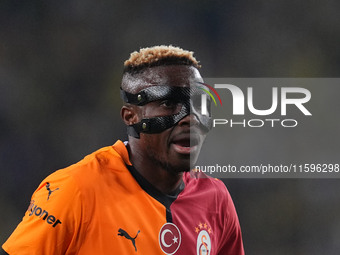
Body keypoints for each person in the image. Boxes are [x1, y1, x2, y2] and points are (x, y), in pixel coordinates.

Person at [2, 45, 244, 254]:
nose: (190, 119)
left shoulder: (216, 200)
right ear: (130, 116)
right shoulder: (75, 190)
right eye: (169, 103)